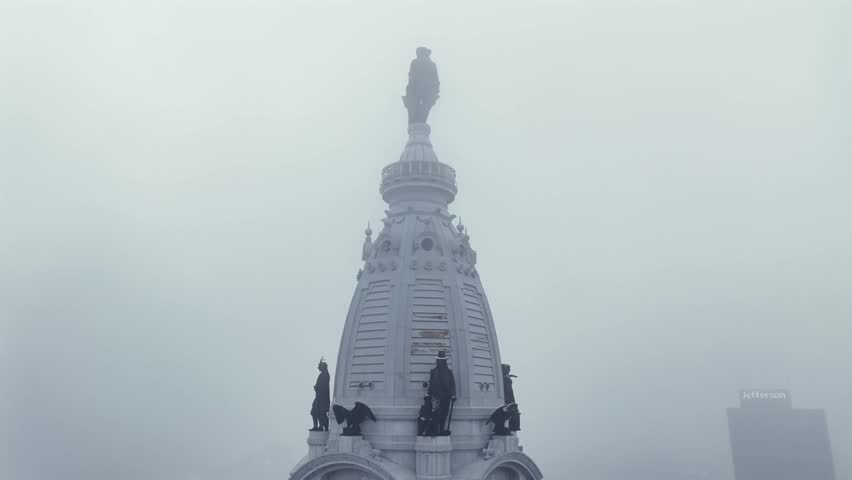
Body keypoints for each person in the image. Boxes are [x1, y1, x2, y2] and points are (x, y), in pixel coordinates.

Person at [427, 350, 456, 436]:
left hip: (446, 396)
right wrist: (429, 393)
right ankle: (435, 431)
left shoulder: (449, 372)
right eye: (439, 360)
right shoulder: (433, 371)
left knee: (444, 414)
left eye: (442, 360)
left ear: (444, 361)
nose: (440, 361)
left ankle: (441, 430)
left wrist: (453, 394)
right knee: (435, 413)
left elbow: (452, 384)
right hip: (435, 396)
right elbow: (431, 383)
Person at [310, 358, 330, 431]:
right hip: (319, 397)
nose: (318, 368)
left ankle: (322, 426)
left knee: (322, 413)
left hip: (323, 398)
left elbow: (322, 387)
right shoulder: (322, 374)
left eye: (319, 366)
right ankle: (316, 426)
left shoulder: (325, 375)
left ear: (323, 367)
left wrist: (316, 387)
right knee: (314, 411)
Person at [502, 364, 520, 432]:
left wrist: (509, 376)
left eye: (509, 370)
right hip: (507, 395)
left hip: (510, 394)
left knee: (513, 408)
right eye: (507, 369)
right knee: (511, 409)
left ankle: (513, 425)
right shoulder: (504, 378)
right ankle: (512, 426)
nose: (508, 371)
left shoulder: (505, 377)